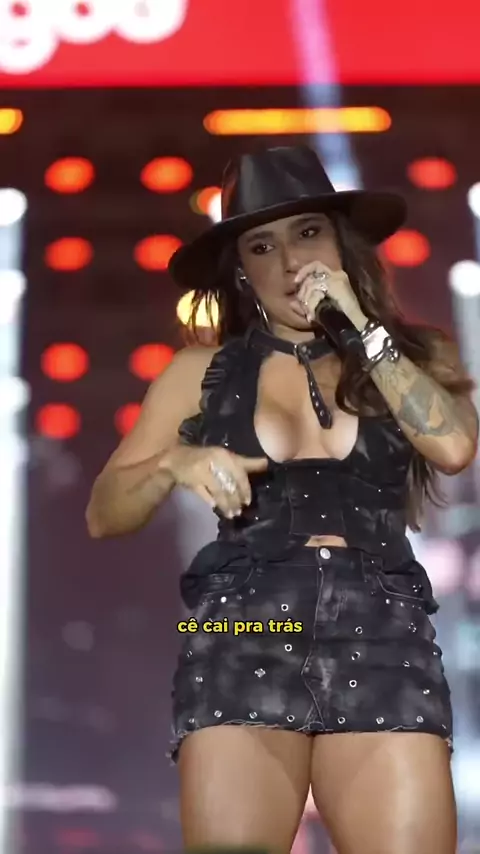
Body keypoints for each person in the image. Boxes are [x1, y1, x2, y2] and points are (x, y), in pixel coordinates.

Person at [86, 145, 479, 854]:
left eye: (308, 233)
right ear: (241, 269)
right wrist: (173, 461)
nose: (291, 260)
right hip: (246, 632)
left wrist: (360, 327)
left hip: (382, 636)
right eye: (262, 246)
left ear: (341, 244)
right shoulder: (200, 371)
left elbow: (452, 446)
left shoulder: (411, 357)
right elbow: (105, 512)